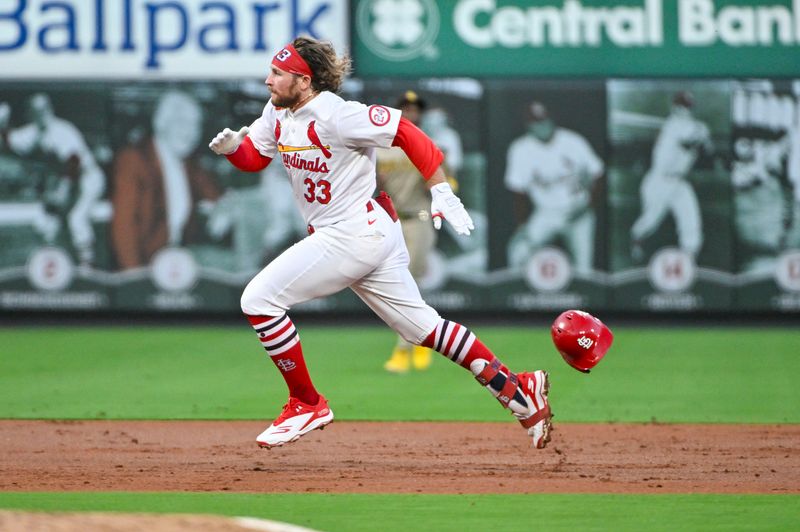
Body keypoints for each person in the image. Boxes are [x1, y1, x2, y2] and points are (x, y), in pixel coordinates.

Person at [208, 37, 553, 449]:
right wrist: (233, 149)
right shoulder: (277, 112)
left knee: (259, 300)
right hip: (369, 231)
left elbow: (407, 131)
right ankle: (518, 391)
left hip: (353, 232)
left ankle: (306, 402)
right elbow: (256, 158)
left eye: (278, 74)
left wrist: (441, 190)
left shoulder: (339, 115)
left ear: (304, 80)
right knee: (424, 328)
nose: (268, 81)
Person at [111, 90, 221, 270]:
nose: (191, 133)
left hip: (178, 264)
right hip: (145, 268)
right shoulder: (134, 160)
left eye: (196, 125)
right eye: (182, 123)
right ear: (161, 123)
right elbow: (124, 227)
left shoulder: (189, 164)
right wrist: (133, 279)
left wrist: (223, 208)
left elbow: (217, 196)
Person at [0, 93, 105, 266]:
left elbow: (74, 161)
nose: (41, 113)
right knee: (45, 226)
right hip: (65, 183)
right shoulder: (32, 132)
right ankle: (60, 266)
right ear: (30, 113)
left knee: (77, 219)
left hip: (88, 179)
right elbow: (10, 143)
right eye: (36, 111)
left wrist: (63, 189)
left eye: (43, 109)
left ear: (50, 109)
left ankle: (88, 268)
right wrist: (2, 127)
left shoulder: (62, 130)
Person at [504, 101, 604, 275]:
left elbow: (599, 174)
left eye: (544, 121)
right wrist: (522, 226)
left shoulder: (573, 141)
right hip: (547, 213)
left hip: (579, 212)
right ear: (528, 126)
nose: (542, 126)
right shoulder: (520, 149)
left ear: (552, 120)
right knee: (518, 251)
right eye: (536, 123)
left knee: (585, 269)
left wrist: (589, 206)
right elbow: (517, 190)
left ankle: (582, 301)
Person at [376, 90, 435, 373]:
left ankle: (404, 348)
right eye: (406, 108)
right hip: (391, 221)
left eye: (415, 109)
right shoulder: (380, 147)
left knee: (408, 281)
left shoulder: (426, 144)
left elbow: (444, 182)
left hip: (419, 220)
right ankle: (421, 341)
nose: (411, 113)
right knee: (403, 284)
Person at [630, 91, 713, 261]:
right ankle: (636, 241)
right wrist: (702, 132)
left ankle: (689, 256)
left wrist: (704, 135)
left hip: (679, 182)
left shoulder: (691, 125)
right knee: (649, 222)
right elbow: (688, 141)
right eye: (681, 106)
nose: (684, 110)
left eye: (687, 107)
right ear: (674, 107)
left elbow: (708, 150)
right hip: (660, 181)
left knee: (691, 219)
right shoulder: (673, 125)